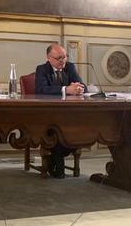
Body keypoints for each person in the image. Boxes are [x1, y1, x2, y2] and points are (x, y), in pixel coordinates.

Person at [34, 43, 86, 178]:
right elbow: (41, 90)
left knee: (74, 129)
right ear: (49, 58)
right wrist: (66, 89)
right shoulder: (42, 69)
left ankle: (56, 161)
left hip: (69, 114)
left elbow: (82, 85)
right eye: (59, 58)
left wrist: (79, 88)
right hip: (49, 114)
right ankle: (57, 164)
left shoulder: (70, 67)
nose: (62, 61)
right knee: (56, 130)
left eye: (64, 57)